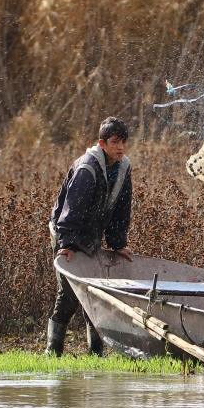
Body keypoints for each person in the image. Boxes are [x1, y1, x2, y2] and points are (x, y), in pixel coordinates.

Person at [46, 116, 135, 356]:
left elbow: (120, 209)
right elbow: (72, 210)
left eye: (124, 141)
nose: (121, 147)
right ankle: (52, 351)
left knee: (94, 292)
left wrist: (118, 243)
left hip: (91, 234)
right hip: (67, 232)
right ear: (102, 143)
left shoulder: (123, 167)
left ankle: (95, 353)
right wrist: (68, 244)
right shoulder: (87, 168)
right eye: (115, 141)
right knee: (69, 294)